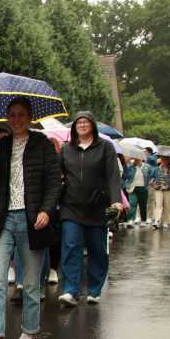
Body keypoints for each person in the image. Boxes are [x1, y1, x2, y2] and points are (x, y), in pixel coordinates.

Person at [0, 97, 61, 339]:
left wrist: (46, 210)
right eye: (12, 115)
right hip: (3, 220)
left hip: (31, 220)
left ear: (30, 116)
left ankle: (27, 333)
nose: (16, 119)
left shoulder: (42, 144)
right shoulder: (0, 146)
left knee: (31, 282)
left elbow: (54, 182)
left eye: (21, 114)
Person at [57, 111, 122, 307]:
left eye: (86, 122)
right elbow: (57, 175)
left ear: (92, 125)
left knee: (97, 249)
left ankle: (94, 290)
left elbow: (113, 175)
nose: (82, 125)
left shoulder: (105, 147)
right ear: (74, 127)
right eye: (79, 122)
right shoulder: (66, 149)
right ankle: (71, 290)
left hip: (97, 206)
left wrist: (116, 201)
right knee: (70, 246)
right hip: (71, 207)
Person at [122, 155, 153, 226]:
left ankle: (143, 220)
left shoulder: (147, 167)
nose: (136, 160)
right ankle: (131, 220)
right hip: (132, 187)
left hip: (143, 187)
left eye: (137, 158)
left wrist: (152, 180)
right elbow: (124, 176)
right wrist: (126, 184)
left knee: (143, 205)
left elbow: (152, 174)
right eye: (135, 158)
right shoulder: (130, 167)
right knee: (132, 204)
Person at [150, 155, 170, 230]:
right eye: (163, 159)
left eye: (166, 159)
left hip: (168, 189)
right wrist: (152, 182)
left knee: (167, 206)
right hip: (158, 189)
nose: (164, 161)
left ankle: (166, 222)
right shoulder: (157, 169)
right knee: (158, 205)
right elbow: (152, 177)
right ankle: (157, 221)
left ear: (169, 160)